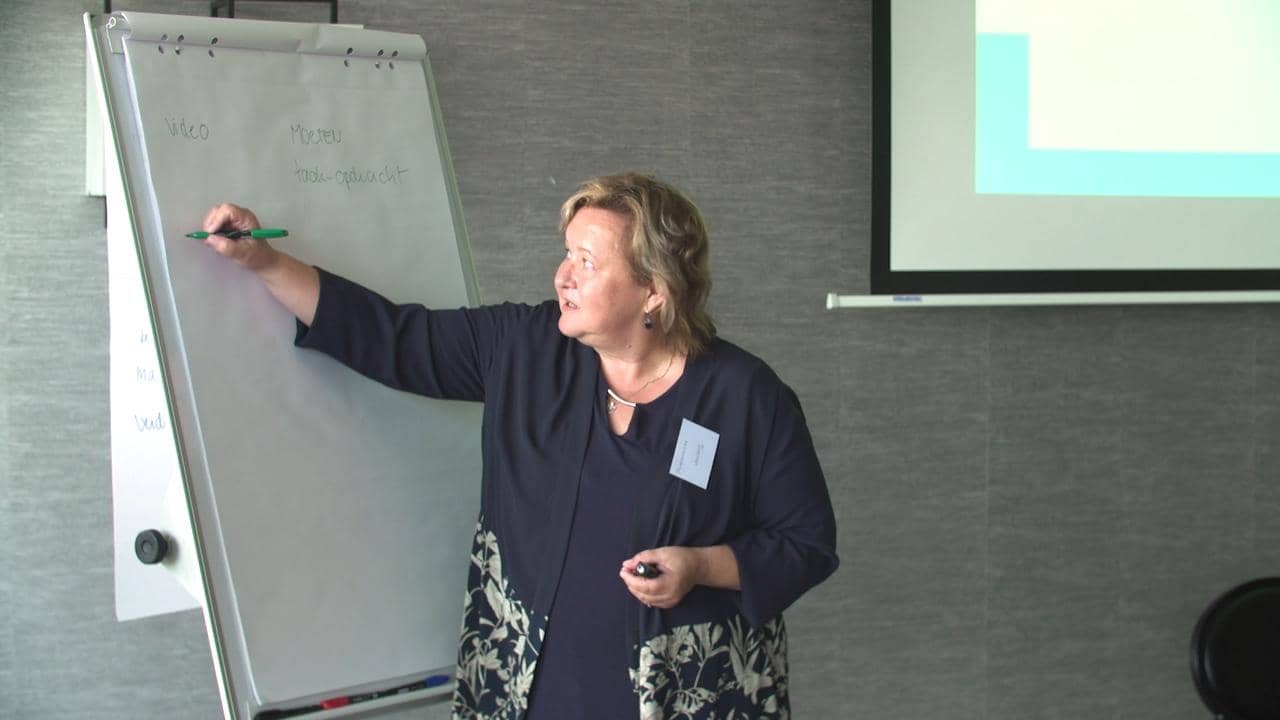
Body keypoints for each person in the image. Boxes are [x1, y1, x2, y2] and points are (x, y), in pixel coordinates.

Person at [199, 172, 838, 720]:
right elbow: (393, 338)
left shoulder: (745, 396)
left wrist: (702, 566)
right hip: (526, 688)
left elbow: (805, 543)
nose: (563, 276)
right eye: (566, 254)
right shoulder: (526, 350)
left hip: (687, 694)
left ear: (654, 289)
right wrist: (265, 262)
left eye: (587, 262)